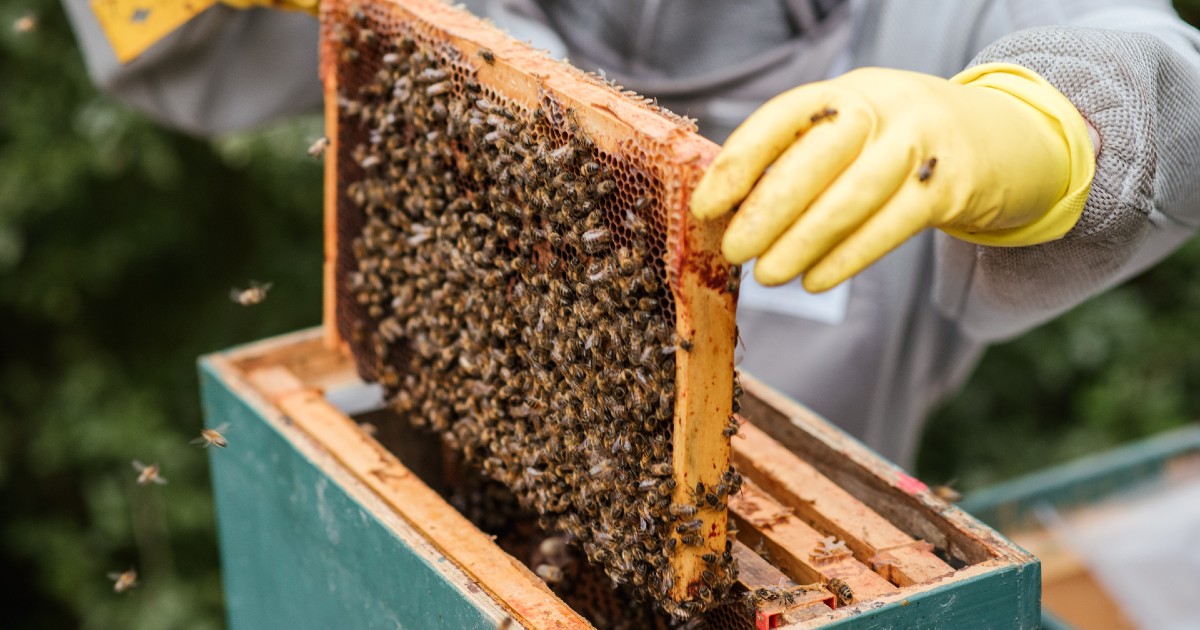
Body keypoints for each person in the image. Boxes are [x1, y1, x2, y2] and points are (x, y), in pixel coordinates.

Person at [62, 0, 1200, 466]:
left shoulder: (938, 20)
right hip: (444, 499)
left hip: (785, 568)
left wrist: (1024, 126)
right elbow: (175, 48)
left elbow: (1152, 79)